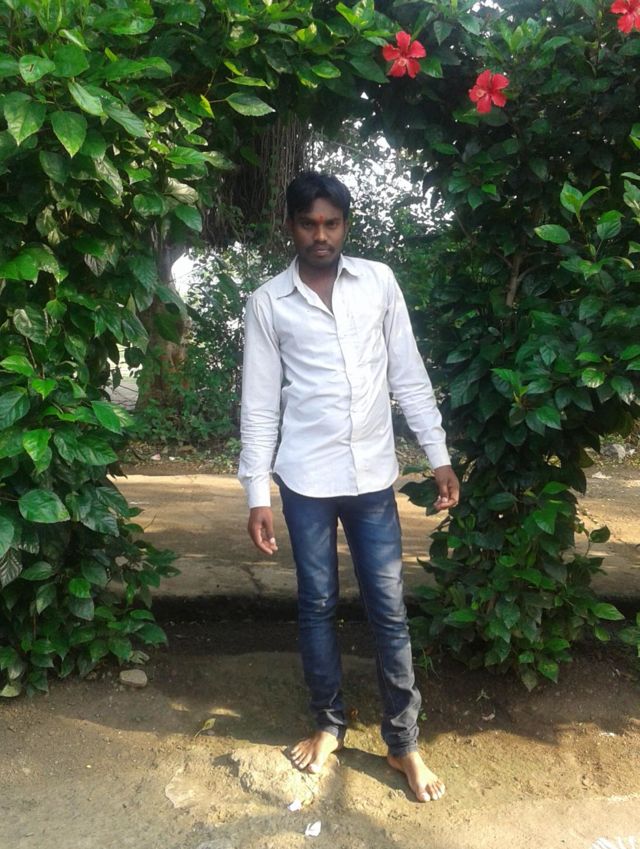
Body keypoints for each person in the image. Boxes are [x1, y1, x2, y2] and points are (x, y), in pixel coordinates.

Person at [238, 172, 460, 803]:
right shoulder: (268, 303)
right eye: (309, 223)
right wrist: (257, 493)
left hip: (371, 478)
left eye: (331, 223)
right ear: (290, 226)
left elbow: (408, 374)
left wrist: (438, 455)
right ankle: (329, 724)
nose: (321, 235)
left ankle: (403, 742)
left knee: (388, 607)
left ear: (345, 225)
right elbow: (260, 404)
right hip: (305, 479)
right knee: (317, 604)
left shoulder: (379, 282)